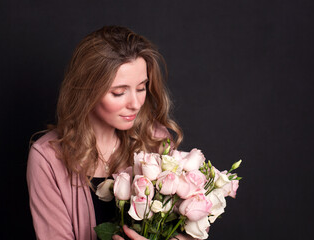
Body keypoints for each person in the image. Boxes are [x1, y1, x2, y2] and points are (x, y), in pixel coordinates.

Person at [27, 26, 197, 240]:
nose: (135, 104)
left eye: (142, 88)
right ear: (87, 91)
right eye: (119, 92)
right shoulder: (47, 157)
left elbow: (186, 229)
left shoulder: (156, 139)